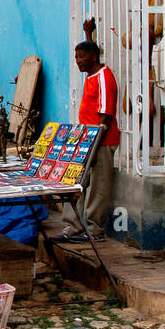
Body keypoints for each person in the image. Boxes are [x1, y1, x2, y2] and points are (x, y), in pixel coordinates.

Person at [71, 37, 120, 239]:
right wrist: (88, 32)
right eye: (76, 57)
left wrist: (95, 144)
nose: (78, 61)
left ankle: (94, 229)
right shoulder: (92, 75)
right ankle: (72, 226)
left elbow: (105, 115)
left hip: (101, 141)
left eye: (82, 57)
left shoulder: (103, 77)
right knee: (75, 183)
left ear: (93, 57)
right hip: (88, 140)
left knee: (99, 187)